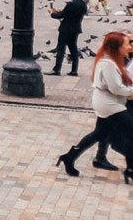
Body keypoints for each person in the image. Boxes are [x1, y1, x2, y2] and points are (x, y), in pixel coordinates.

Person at [56, 31, 133, 181]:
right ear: (116, 47)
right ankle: (130, 168)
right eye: (126, 44)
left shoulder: (111, 61)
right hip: (110, 105)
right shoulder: (108, 64)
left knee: (98, 133)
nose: (129, 47)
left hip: (106, 103)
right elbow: (115, 88)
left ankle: (69, 157)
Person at [49, 0, 87, 77]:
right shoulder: (83, 4)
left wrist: (52, 13)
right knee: (73, 49)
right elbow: (70, 14)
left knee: (61, 49)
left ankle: (57, 69)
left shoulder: (71, 4)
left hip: (65, 29)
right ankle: (74, 70)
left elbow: (61, 16)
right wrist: (61, 11)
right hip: (75, 29)